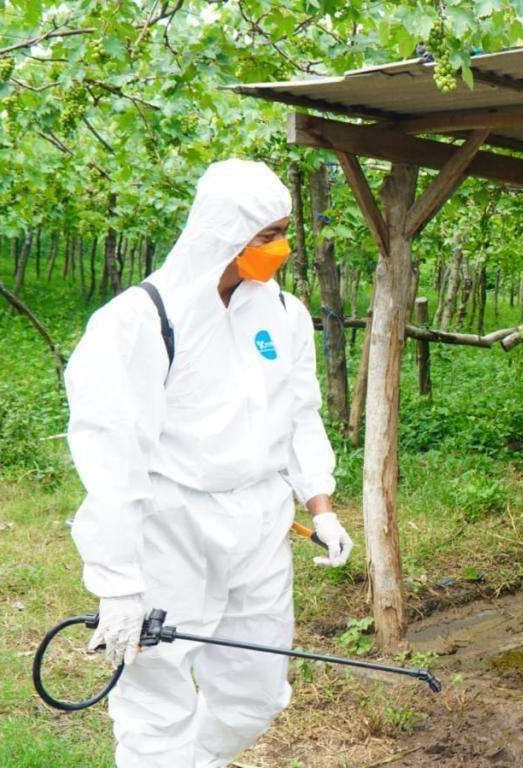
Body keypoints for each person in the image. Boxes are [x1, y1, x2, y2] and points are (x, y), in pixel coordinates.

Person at [64, 159, 354, 767]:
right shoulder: (140, 322)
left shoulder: (283, 314)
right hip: (171, 527)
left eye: (283, 232)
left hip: (259, 524)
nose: (281, 248)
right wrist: (117, 584)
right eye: (267, 236)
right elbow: (113, 458)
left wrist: (320, 505)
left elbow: (299, 413)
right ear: (223, 233)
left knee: (258, 695)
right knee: (157, 700)